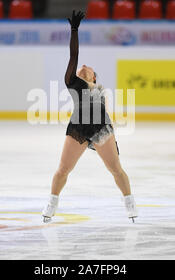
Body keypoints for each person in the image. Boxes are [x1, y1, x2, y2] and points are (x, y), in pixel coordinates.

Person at [41, 11, 138, 223]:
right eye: (80, 69)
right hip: (78, 128)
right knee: (63, 170)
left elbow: (102, 110)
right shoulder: (73, 83)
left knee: (115, 169)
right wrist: (74, 31)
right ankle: (51, 205)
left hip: (101, 129)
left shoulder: (100, 91)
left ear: (94, 76)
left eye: (89, 68)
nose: (84, 66)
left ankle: (130, 204)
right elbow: (73, 56)